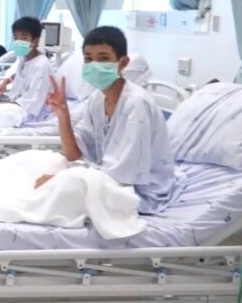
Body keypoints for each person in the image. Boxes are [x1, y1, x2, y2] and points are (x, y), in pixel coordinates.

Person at [35, 26, 178, 214]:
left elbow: (121, 177)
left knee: (53, 189)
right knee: (36, 162)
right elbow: (74, 155)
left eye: (103, 58)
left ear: (123, 62)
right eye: (88, 59)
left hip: (138, 192)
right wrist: (63, 114)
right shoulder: (97, 98)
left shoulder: (136, 104)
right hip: (108, 179)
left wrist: (61, 180)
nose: (94, 65)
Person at [0, 17, 52, 123]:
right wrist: (6, 82)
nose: (18, 41)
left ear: (36, 41)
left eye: (24, 38)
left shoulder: (42, 65)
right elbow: (24, 73)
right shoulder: (24, 58)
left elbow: (29, 104)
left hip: (26, 113)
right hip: (14, 102)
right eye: (15, 37)